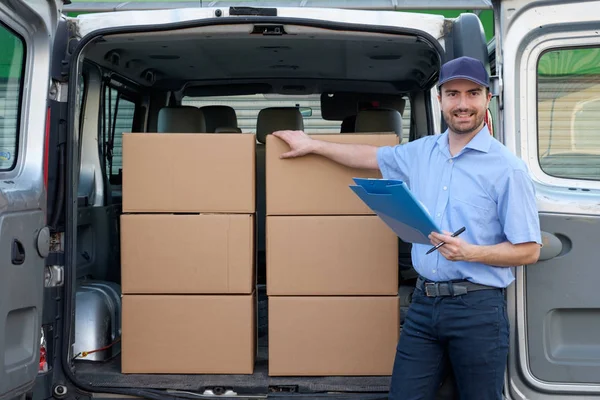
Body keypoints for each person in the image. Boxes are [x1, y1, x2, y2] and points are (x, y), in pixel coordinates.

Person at [272, 56, 542, 400]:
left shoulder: (508, 168)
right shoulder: (421, 152)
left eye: (472, 93)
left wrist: (469, 252)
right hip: (424, 306)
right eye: (453, 94)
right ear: (439, 99)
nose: (462, 104)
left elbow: (530, 250)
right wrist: (313, 145)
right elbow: (371, 158)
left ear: (487, 99)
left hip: (477, 311)